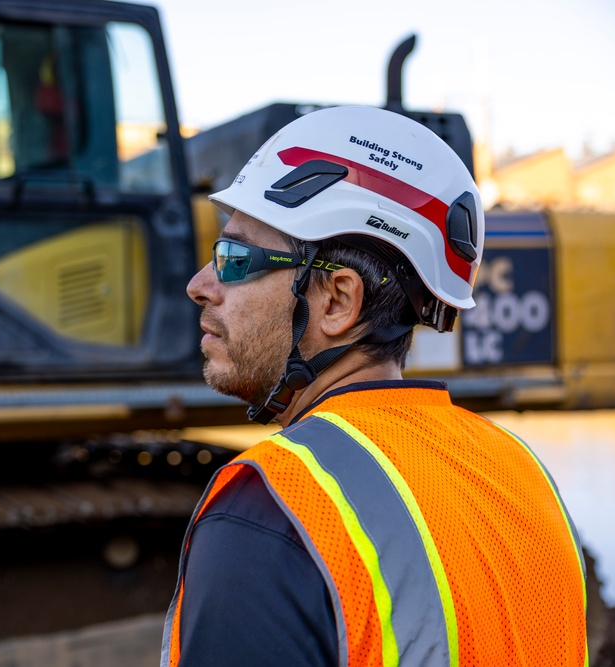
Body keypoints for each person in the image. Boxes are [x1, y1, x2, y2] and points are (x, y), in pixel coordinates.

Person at [162, 106, 587, 666]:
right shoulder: (523, 475)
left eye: (235, 259)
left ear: (337, 300)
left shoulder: (272, 513)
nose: (200, 285)